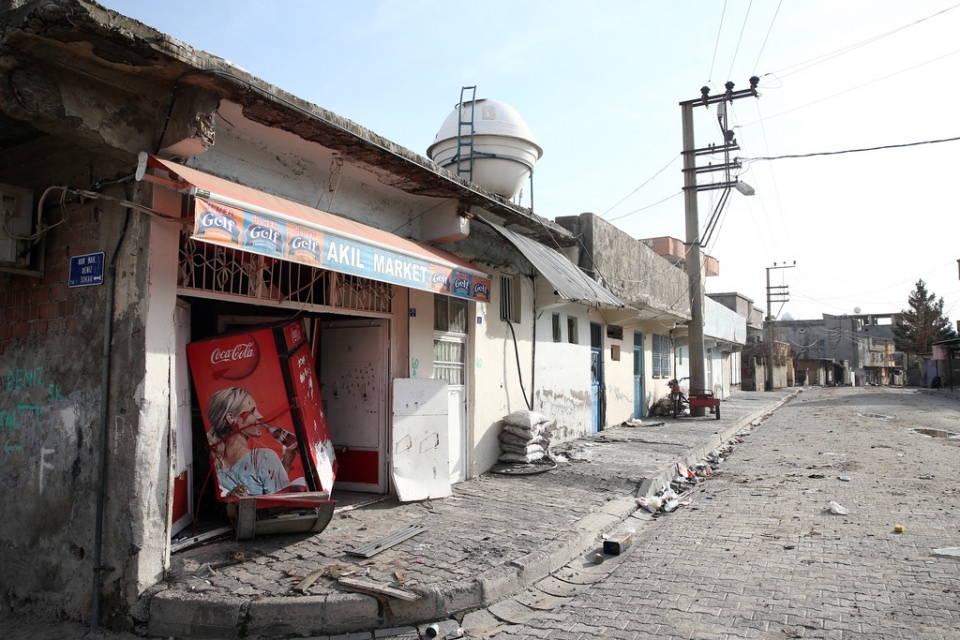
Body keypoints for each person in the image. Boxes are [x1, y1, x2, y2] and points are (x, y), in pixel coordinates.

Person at [206, 386, 301, 497]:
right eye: (252, 411)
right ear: (231, 418)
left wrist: (286, 463)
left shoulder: (213, 465)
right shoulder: (264, 458)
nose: (260, 416)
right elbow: (283, 502)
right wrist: (286, 465)